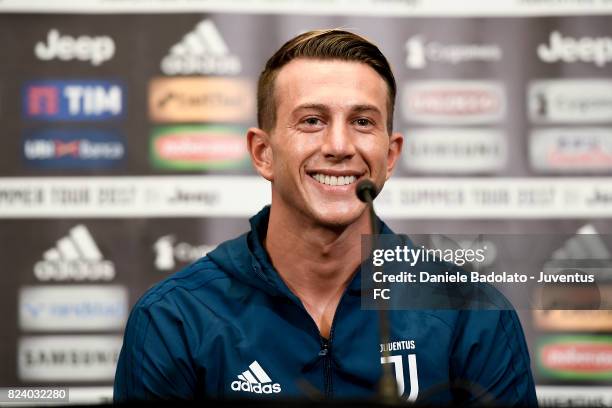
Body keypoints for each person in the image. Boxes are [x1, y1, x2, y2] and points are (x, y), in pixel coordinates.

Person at [114, 29, 537, 405]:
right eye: (312, 120)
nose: (339, 145)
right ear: (263, 153)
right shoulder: (176, 317)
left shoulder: (473, 317)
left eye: (362, 121)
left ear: (389, 157)